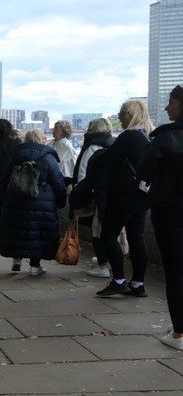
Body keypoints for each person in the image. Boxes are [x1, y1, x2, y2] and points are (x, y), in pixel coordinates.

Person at [138, 85, 183, 349]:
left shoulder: (166, 138)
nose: (167, 108)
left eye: (172, 102)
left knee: (177, 272)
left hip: (172, 211)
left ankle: (179, 334)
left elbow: (144, 172)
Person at [95, 100, 153, 297]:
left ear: (131, 114)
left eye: (121, 113)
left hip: (124, 194)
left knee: (108, 235)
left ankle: (119, 280)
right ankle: (137, 283)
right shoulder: (146, 136)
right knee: (137, 237)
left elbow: (107, 160)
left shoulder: (129, 136)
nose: (119, 117)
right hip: (141, 195)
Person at [0, 130, 67, 275]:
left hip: (15, 200)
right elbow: (58, 181)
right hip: (41, 201)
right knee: (37, 234)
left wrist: (4, 198)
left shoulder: (14, 155)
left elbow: (4, 179)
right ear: (41, 139)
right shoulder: (48, 157)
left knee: (17, 230)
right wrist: (61, 201)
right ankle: (35, 266)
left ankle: (16, 260)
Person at [72, 118, 115, 278]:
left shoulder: (92, 148)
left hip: (96, 195)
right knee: (110, 230)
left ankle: (102, 265)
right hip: (113, 194)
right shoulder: (113, 144)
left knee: (96, 230)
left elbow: (83, 174)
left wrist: (80, 193)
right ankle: (108, 259)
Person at [49, 120, 78, 186]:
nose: (53, 130)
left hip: (64, 179)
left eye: (56, 128)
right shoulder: (51, 143)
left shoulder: (67, 146)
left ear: (64, 131)